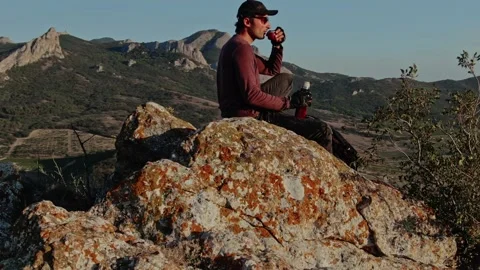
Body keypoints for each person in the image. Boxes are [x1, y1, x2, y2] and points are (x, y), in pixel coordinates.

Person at [216, 0, 359, 169]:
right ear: (247, 22)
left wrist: (277, 46)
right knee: (321, 130)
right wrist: (290, 103)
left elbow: (272, 70)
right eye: (263, 19)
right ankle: (328, 173)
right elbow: (251, 95)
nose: (267, 24)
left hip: (241, 109)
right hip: (248, 115)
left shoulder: (236, 45)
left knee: (286, 78)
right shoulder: (242, 49)